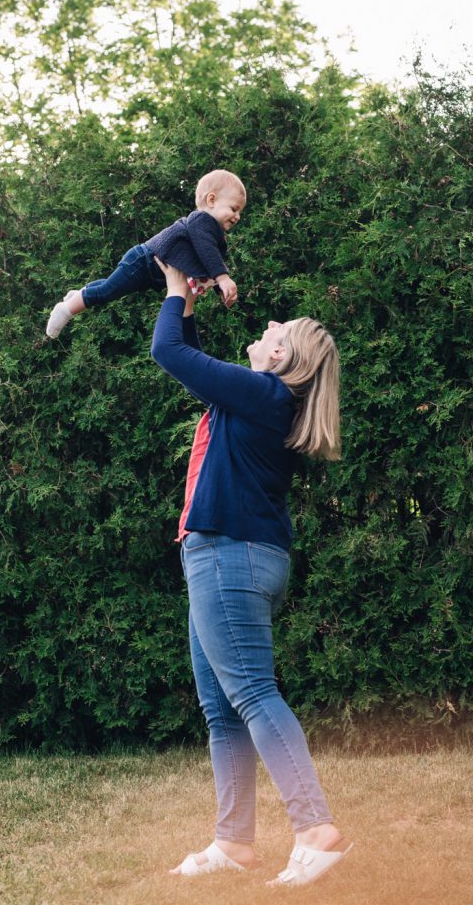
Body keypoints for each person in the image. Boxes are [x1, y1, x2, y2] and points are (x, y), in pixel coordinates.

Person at [150, 259, 354, 888]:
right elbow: (190, 352)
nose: (267, 324)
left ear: (281, 359)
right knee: (223, 708)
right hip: (227, 555)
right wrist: (189, 298)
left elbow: (169, 351)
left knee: (252, 695)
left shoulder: (265, 393)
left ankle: (317, 831)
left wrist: (174, 287)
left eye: (278, 330)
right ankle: (234, 842)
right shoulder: (262, 397)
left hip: (227, 555)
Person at [45, 169, 245, 338]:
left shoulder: (213, 236)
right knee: (108, 291)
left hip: (151, 272)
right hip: (143, 261)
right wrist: (224, 278)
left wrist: (221, 289)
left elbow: (208, 262)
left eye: (240, 212)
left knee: (112, 288)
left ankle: (79, 295)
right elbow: (206, 250)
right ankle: (67, 309)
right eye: (234, 208)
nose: (237, 217)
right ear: (211, 200)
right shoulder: (201, 220)